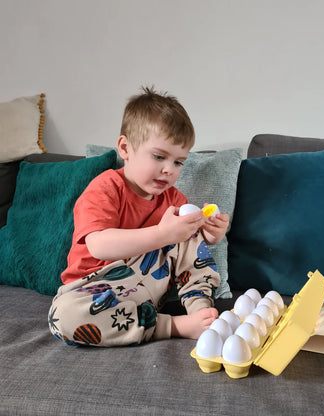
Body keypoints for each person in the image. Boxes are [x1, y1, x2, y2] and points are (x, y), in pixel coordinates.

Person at [48, 87, 229, 347]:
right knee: (62, 316)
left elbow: (189, 251)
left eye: (179, 162)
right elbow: (98, 245)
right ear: (125, 148)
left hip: (148, 286)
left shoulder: (173, 200)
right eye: (159, 156)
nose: (169, 170)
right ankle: (170, 325)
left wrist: (210, 235)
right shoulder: (105, 187)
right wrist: (162, 234)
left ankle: (199, 309)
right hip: (98, 288)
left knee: (187, 229)